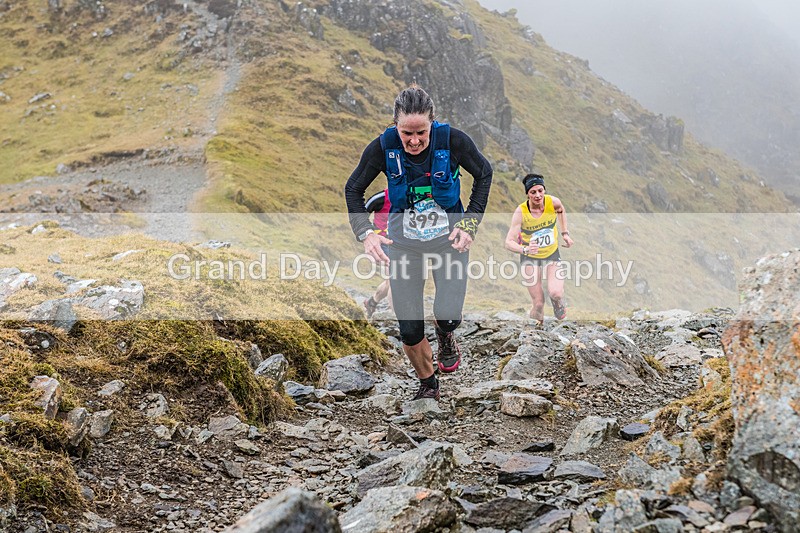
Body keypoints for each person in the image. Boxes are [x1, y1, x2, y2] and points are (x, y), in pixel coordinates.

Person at [345, 85, 493, 401]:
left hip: (449, 242)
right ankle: (428, 385)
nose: (414, 141)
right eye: (406, 133)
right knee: (410, 329)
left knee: (448, 315)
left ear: (432, 124)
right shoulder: (382, 148)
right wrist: (366, 233)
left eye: (421, 133)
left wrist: (469, 223)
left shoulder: (453, 141)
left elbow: (484, 174)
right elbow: (353, 189)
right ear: (395, 126)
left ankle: (445, 332)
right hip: (404, 245)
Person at [504, 173, 573, 324]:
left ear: (544, 190)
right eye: (533, 192)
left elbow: (561, 211)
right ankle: (536, 329)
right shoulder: (521, 212)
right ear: (527, 194)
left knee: (556, 293)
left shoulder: (553, 202)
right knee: (539, 303)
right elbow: (508, 242)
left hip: (551, 254)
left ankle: (557, 304)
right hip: (530, 257)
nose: (537, 195)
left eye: (540, 191)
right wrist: (525, 249)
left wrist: (565, 233)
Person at [363, 189, 392, 318]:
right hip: (384, 245)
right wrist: (370, 234)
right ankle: (400, 320)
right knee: (396, 280)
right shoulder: (381, 198)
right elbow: (360, 216)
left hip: (405, 244)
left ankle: (372, 302)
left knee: (390, 281)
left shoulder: (413, 196)